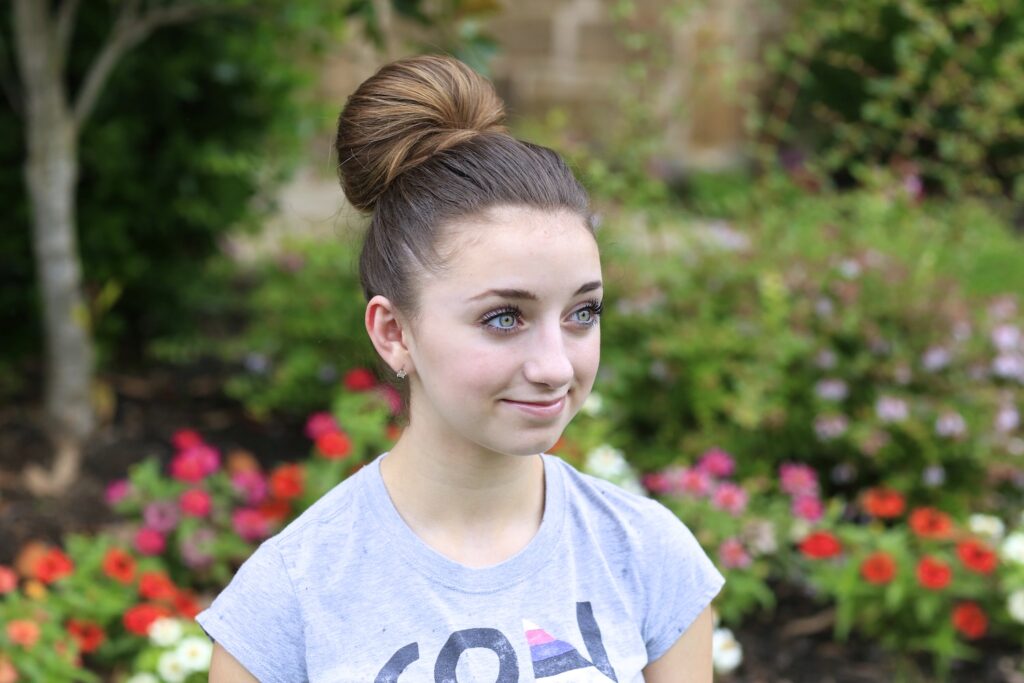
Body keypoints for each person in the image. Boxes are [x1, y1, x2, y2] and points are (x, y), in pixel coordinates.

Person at [197, 54, 725, 683]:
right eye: (504, 318)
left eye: (583, 312)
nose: (556, 366)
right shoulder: (288, 601)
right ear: (394, 333)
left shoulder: (647, 557)